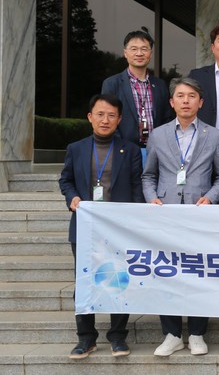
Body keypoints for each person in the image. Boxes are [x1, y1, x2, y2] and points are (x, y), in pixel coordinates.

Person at [141, 77, 219, 357]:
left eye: (192, 96)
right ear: (172, 102)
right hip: (166, 213)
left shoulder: (214, 135)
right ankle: (172, 334)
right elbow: (148, 175)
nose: (186, 100)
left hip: (199, 213)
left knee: (199, 272)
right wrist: (152, 198)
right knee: (167, 273)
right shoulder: (158, 135)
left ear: (201, 102)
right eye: (180, 95)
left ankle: (198, 333)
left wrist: (211, 197)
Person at [59, 94, 143, 359]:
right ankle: (86, 337)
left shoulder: (130, 150)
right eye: (100, 114)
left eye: (111, 115)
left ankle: (118, 336)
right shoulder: (76, 148)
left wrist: (134, 221)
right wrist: (72, 197)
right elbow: (66, 180)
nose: (105, 120)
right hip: (85, 227)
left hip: (118, 229)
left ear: (119, 120)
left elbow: (137, 187)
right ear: (90, 117)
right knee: (84, 281)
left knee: (118, 279)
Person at [101, 30, 173, 163]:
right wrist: (121, 148)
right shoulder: (112, 84)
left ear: (150, 53)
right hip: (123, 152)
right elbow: (108, 119)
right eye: (134, 49)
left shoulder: (160, 85)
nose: (139, 53)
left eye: (144, 49)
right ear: (125, 53)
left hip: (156, 152)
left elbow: (166, 119)